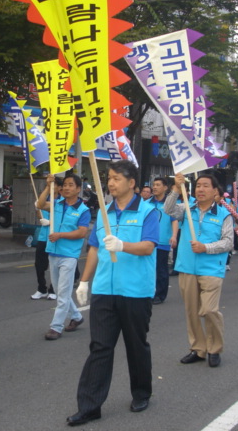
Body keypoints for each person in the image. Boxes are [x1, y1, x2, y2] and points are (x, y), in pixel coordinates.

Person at [67, 160, 159, 426]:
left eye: (116, 178)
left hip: (135, 291)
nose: (110, 182)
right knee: (100, 347)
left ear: (131, 183)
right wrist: (84, 282)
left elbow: (148, 247)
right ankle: (89, 406)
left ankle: (141, 392)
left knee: (135, 345)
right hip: (105, 290)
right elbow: (94, 249)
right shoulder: (104, 213)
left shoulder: (147, 212)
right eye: (109, 178)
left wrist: (122, 245)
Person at [165, 173, 233, 368]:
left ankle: (215, 349)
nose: (200, 189)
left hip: (212, 268)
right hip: (187, 267)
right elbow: (168, 210)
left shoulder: (223, 215)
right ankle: (198, 348)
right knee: (192, 311)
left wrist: (206, 248)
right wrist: (176, 189)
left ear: (215, 191)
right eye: (198, 186)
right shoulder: (187, 208)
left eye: (205, 186)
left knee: (209, 310)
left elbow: (228, 242)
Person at [36, 174, 90, 340]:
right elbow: (39, 204)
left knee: (63, 293)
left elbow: (82, 232)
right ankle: (77, 317)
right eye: (64, 185)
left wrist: (60, 235)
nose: (66, 187)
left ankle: (56, 327)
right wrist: (47, 186)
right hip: (53, 252)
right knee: (61, 293)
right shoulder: (57, 204)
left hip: (69, 255)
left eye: (71, 185)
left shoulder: (83, 210)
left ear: (78, 189)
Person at [31, 177, 63, 300]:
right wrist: (47, 186)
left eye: (54, 185)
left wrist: (51, 222)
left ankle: (53, 289)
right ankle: (41, 289)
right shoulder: (45, 199)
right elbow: (39, 209)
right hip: (43, 237)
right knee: (39, 264)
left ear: (60, 187)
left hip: (56, 237)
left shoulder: (62, 201)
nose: (52, 187)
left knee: (54, 265)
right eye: (50, 185)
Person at [149, 177, 178, 304]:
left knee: (161, 269)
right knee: (149, 268)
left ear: (165, 188)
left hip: (162, 241)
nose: (154, 187)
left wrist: (174, 236)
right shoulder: (147, 203)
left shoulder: (169, 204)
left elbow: (174, 220)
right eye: (153, 185)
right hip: (148, 241)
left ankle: (160, 294)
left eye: (158, 185)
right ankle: (149, 292)